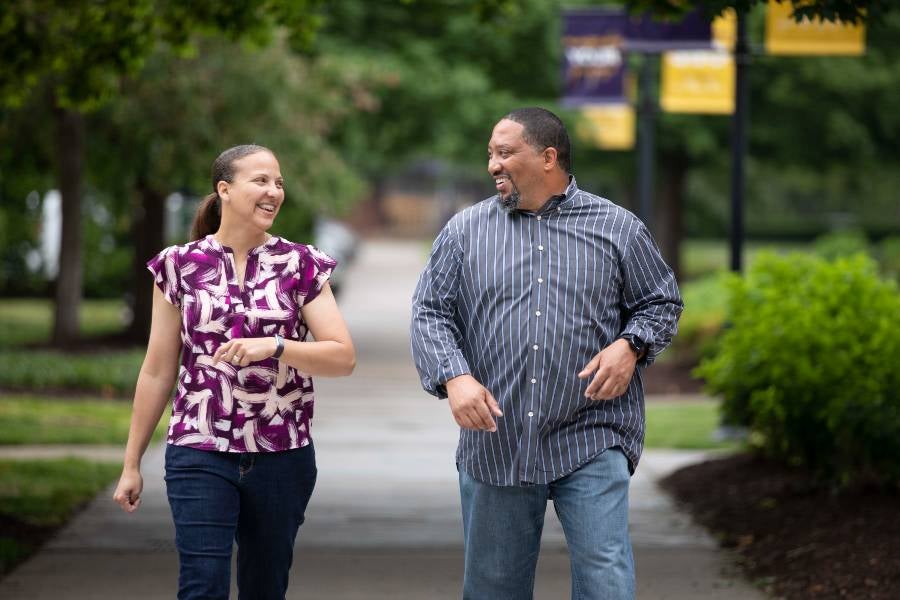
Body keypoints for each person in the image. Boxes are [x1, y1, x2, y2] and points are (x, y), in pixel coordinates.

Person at [410, 108, 682, 599]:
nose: (492, 164)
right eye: (490, 153)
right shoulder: (464, 232)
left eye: (505, 152)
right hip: (498, 439)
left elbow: (661, 301)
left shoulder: (617, 227)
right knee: (494, 588)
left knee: (606, 579)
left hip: (593, 431)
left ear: (548, 157)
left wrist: (631, 345)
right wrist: (454, 377)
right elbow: (430, 312)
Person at [113, 144, 355, 600]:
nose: (274, 191)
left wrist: (277, 346)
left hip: (283, 454)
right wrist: (131, 464)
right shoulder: (179, 265)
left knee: (265, 587)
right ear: (224, 189)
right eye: (261, 181)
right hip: (199, 448)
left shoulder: (301, 264)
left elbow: (342, 356)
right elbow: (156, 372)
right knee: (201, 586)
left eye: (279, 182)